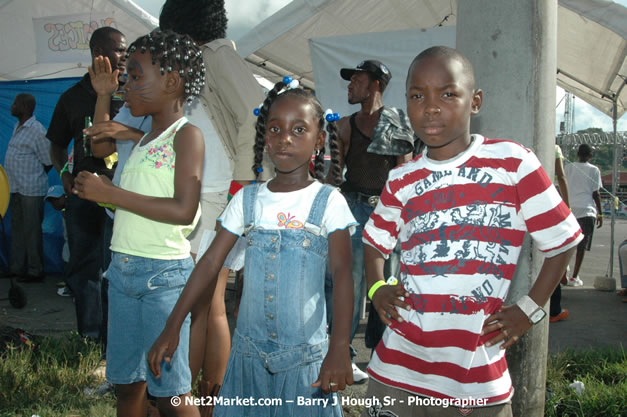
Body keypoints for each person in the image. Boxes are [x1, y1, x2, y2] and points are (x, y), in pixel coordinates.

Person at [361, 46, 582, 416]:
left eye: (448, 94)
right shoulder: (401, 179)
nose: (430, 107)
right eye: (418, 95)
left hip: (476, 377)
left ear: (475, 101)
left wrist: (528, 310)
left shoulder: (513, 163)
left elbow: (563, 241)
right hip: (395, 370)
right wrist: (377, 287)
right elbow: (373, 243)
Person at [148, 79, 355, 417]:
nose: (284, 138)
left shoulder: (329, 202)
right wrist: (173, 324)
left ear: (319, 140)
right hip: (247, 360)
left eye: (298, 129)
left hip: (305, 365)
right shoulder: (247, 200)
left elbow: (344, 274)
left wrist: (340, 347)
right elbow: (210, 261)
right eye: (275, 128)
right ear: (265, 136)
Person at [72, 29, 206, 417]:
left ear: (171, 81)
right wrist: (101, 95)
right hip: (123, 273)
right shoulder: (146, 138)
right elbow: (98, 143)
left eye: (134, 75)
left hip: (161, 278)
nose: (125, 84)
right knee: (127, 385)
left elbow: (185, 210)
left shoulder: (187, 137)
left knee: (171, 393)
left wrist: (112, 195)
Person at [158, 0, 272, 409]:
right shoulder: (205, 55)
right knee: (207, 304)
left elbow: (255, 117)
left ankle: (182, 400)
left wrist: (242, 186)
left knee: (196, 306)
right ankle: (204, 402)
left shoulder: (220, 54)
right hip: (218, 192)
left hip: (222, 193)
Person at [326, 59, 415, 382]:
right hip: (352, 208)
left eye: (357, 79)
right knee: (347, 284)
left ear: (376, 83)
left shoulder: (397, 122)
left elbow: (404, 175)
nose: (350, 85)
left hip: (386, 212)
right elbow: (334, 177)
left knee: (387, 284)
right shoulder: (343, 126)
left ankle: (383, 355)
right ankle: (342, 353)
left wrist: (401, 219)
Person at [47, 26, 127, 342]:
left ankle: (112, 342)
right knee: (84, 269)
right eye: (119, 49)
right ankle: (90, 339)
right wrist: (63, 174)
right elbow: (55, 144)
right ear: (99, 54)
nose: (124, 56)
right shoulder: (71, 98)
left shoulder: (130, 94)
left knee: (114, 271)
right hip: (81, 194)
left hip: (120, 195)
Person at [4, 93, 52, 283]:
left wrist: (33, 177)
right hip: (16, 188)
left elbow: (48, 160)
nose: (12, 106)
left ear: (24, 106)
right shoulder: (18, 126)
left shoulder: (37, 131)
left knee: (32, 231)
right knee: (17, 230)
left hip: (31, 189)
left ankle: (35, 271)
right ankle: (17, 268)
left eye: (15, 103)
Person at [564, 144, 603, 287]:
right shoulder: (594, 170)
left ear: (577, 154)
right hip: (587, 210)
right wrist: (600, 213)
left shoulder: (568, 168)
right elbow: (595, 193)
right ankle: (574, 276)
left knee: (568, 244)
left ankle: (563, 274)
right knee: (582, 246)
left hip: (570, 209)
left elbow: (562, 186)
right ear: (590, 156)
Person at [550, 144, 571, 322]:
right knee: (555, 253)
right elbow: (561, 177)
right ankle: (554, 310)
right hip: (546, 203)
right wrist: (568, 208)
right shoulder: (554, 147)